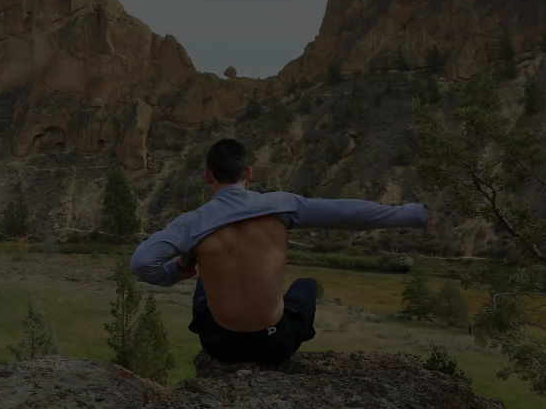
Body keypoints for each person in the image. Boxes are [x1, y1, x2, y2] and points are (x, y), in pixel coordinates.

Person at [130, 138, 427, 364]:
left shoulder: (193, 222)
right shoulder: (283, 205)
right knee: (305, 286)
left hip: (220, 346)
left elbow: (142, 262)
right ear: (248, 173)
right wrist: (409, 214)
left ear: (208, 176)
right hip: (275, 344)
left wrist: (173, 272)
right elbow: (346, 213)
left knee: (203, 281)